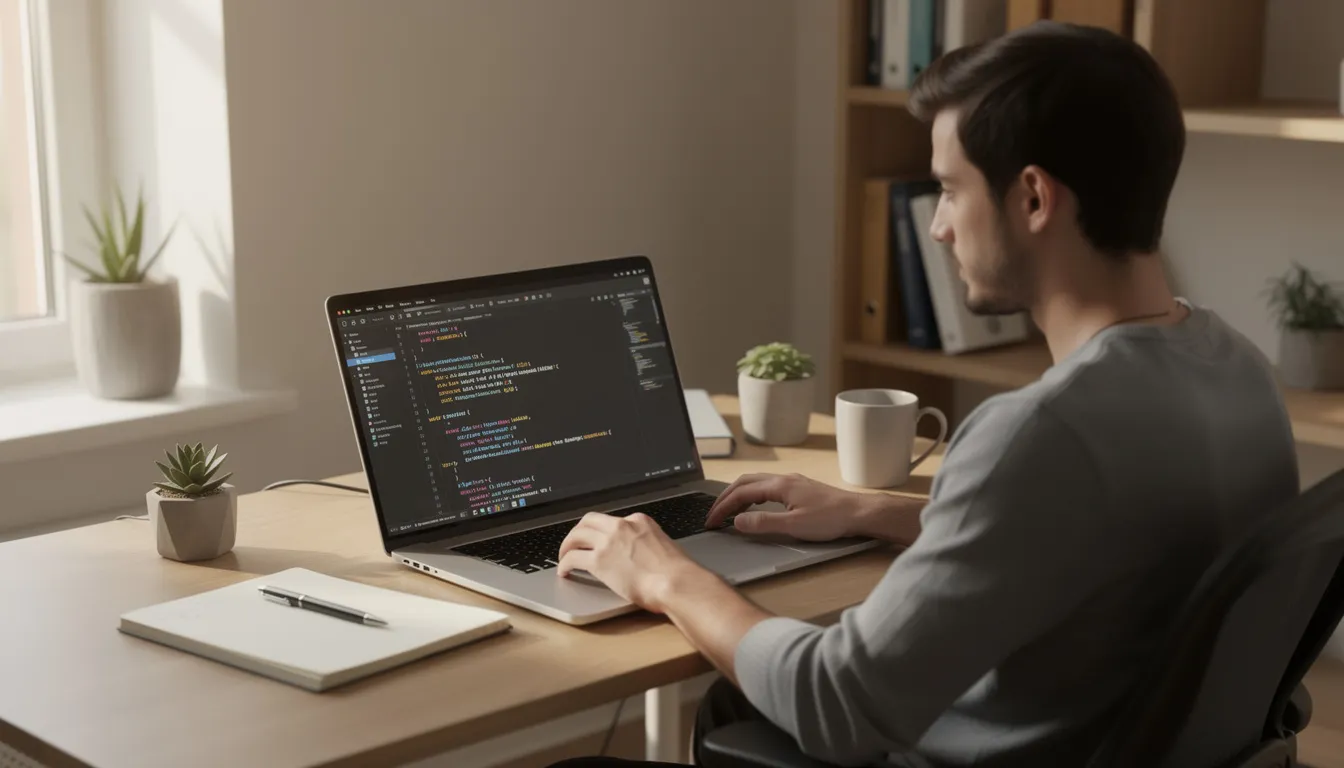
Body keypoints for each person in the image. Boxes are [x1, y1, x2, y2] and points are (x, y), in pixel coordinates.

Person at [549, 20, 1298, 768]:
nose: (937, 227)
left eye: (949, 189)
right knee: (737, 705)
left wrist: (667, 574)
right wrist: (871, 512)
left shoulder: (1041, 432)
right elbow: (1101, 539)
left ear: (1033, 198)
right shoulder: (1239, 370)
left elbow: (836, 706)